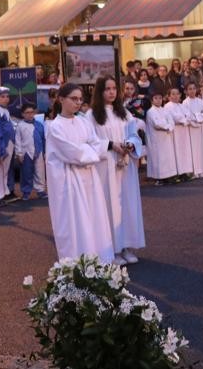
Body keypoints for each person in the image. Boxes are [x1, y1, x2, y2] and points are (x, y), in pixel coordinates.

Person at [46, 83, 115, 264]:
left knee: (94, 218)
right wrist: (89, 151)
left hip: (89, 178)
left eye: (80, 99)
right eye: (73, 99)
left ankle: (99, 260)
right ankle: (77, 264)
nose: (78, 103)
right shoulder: (55, 127)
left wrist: (89, 150)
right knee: (75, 223)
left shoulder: (83, 121)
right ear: (61, 99)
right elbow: (73, 154)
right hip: (70, 182)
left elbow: (95, 143)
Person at [87, 75, 146, 265]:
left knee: (127, 205)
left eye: (114, 88)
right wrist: (112, 145)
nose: (111, 92)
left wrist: (129, 144)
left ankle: (128, 246)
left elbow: (134, 134)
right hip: (106, 167)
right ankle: (113, 249)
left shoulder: (124, 113)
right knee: (110, 206)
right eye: (107, 89)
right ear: (99, 92)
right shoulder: (92, 116)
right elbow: (91, 141)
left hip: (125, 166)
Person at [0, 87, 17, 202]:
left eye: (7, 96)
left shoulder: (5, 110)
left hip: (9, 142)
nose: (6, 99)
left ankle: (7, 191)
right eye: (2, 97)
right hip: (4, 143)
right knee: (1, 171)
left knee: (7, 169)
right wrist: (1, 148)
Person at [144, 91, 178, 184]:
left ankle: (167, 176)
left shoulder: (164, 110)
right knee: (158, 158)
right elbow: (157, 124)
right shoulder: (150, 112)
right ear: (152, 100)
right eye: (156, 98)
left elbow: (171, 121)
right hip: (156, 139)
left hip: (166, 137)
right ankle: (158, 178)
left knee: (167, 157)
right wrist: (167, 126)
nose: (158, 100)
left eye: (160, 98)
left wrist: (169, 126)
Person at [15, 103, 47, 200]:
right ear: (23, 114)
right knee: (26, 173)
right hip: (26, 152)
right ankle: (26, 191)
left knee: (40, 172)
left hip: (39, 152)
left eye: (31, 112)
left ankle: (40, 190)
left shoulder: (39, 125)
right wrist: (19, 153)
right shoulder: (20, 126)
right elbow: (18, 140)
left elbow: (43, 139)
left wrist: (45, 152)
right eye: (27, 113)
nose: (30, 115)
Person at [182, 82, 203, 177]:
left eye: (194, 88)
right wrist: (196, 119)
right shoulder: (185, 102)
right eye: (190, 89)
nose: (192, 91)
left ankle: (202, 169)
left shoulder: (200, 101)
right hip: (191, 129)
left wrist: (200, 119)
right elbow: (187, 115)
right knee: (193, 150)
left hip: (201, 128)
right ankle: (195, 171)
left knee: (201, 148)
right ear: (186, 91)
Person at [166, 88, 194, 181]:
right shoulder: (167, 106)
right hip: (175, 132)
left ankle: (184, 171)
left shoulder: (182, 106)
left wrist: (184, 119)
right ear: (169, 96)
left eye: (177, 94)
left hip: (184, 131)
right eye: (173, 94)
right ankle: (177, 172)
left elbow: (189, 115)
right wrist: (184, 119)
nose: (175, 96)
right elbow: (174, 117)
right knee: (176, 151)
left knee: (184, 151)